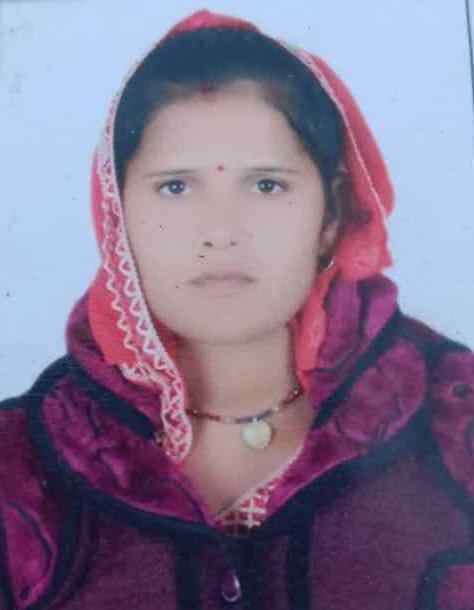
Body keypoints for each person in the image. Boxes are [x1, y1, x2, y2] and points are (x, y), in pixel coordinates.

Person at [1, 8, 473, 610]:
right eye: (175, 187)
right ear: (118, 217)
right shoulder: (18, 464)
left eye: (266, 185)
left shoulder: (455, 419)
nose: (221, 232)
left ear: (331, 215)